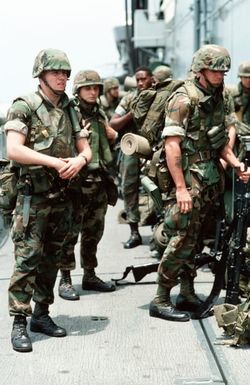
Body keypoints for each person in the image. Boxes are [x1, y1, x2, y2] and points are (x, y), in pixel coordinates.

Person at [149, 44, 250, 322]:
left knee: (196, 240)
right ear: (200, 70)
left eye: (223, 71)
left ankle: (187, 292)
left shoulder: (218, 97)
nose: (220, 76)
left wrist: (235, 163)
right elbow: (172, 147)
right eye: (215, 71)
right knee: (181, 238)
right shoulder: (184, 99)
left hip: (209, 178)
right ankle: (160, 298)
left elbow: (219, 142)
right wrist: (181, 188)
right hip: (188, 179)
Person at [5, 48, 92, 352]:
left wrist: (79, 162)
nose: (62, 77)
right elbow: (14, 149)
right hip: (33, 200)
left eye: (66, 73)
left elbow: (85, 148)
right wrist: (55, 163)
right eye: (56, 72)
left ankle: (41, 315)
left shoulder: (70, 107)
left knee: (52, 260)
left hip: (62, 199)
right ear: (40, 75)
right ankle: (19, 320)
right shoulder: (24, 106)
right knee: (27, 261)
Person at [58, 70, 117, 301]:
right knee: (69, 233)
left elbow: (108, 137)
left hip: (99, 180)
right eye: (88, 88)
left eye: (96, 88)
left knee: (94, 231)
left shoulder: (98, 112)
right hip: (77, 182)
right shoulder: (69, 112)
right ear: (78, 90)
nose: (93, 92)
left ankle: (89, 274)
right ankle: (65, 278)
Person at [110, 66, 153, 248]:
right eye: (138, 80)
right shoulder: (129, 98)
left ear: (152, 78)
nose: (141, 82)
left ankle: (160, 231)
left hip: (155, 148)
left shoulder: (160, 97)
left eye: (144, 79)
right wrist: (131, 114)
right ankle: (134, 232)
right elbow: (113, 123)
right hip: (131, 148)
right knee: (129, 187)